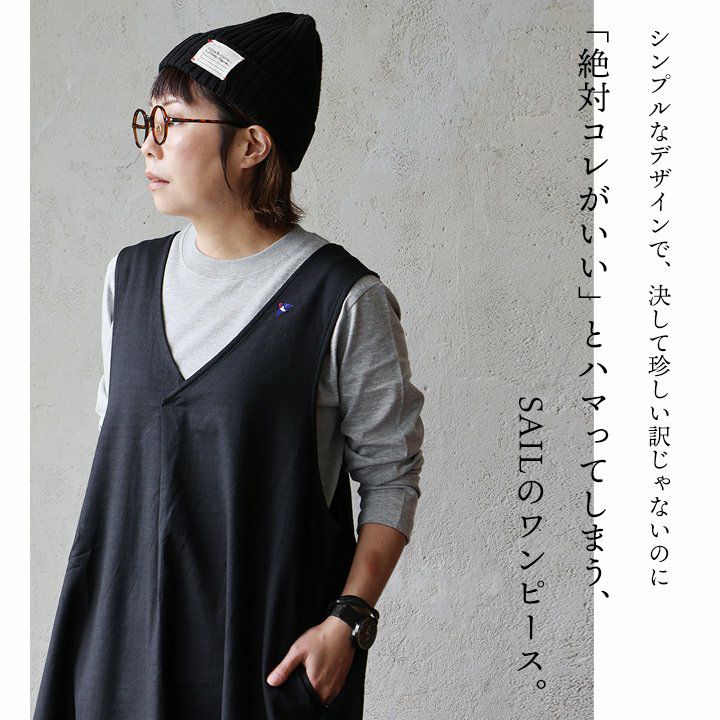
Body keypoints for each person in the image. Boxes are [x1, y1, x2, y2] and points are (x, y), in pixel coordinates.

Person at [34, 12, 425, 719]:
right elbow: (128, 471)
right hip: (120, 657)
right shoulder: (128, 279)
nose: (149, 143)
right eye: (147, 120)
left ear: (251, 144)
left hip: (260, 663)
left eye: (173, 121)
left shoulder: (340, 299)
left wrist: (348, 621)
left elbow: (391, 478)